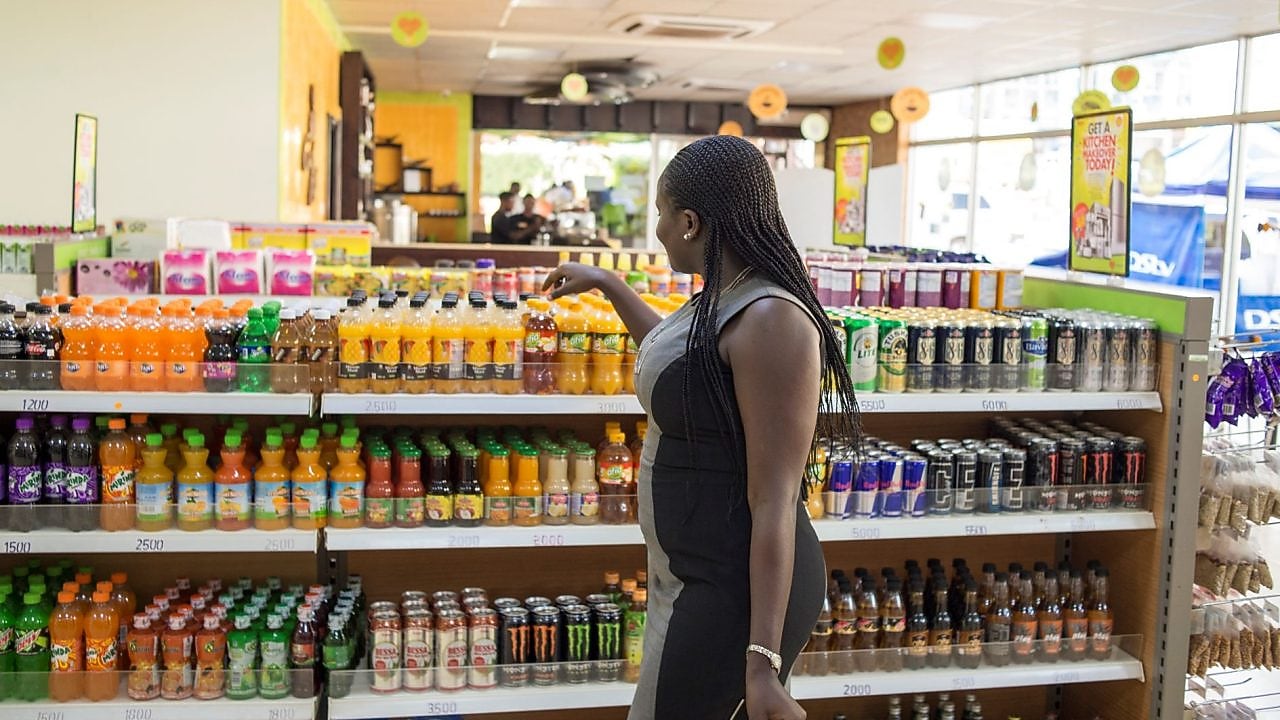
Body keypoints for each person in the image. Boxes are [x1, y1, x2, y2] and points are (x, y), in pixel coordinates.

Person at [544, 135, 859, 720]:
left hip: (734, 586)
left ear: (689, 222)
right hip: (690, 571)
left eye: (661, 215)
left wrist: (761, 663)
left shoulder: (772, 318)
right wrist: (610, 284)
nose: (658, 230)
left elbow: (774, 499)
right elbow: (678, 365)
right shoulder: (723, 294)